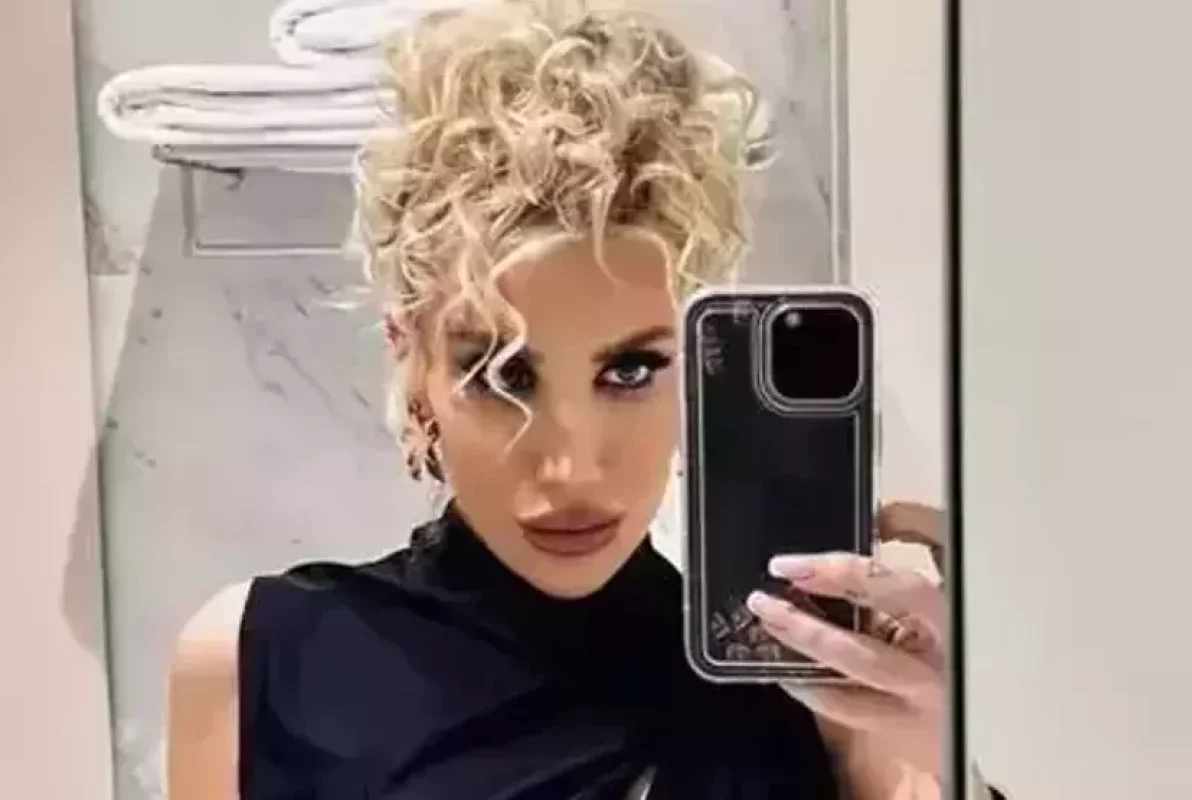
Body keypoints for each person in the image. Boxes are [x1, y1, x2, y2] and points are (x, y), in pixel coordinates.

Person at [167, 2, 998, 798]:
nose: (571, 467)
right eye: (503, 375)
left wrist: (932, 761)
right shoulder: (261, 661)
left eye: (630, 371)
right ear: (413, 365)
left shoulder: (807, 691)